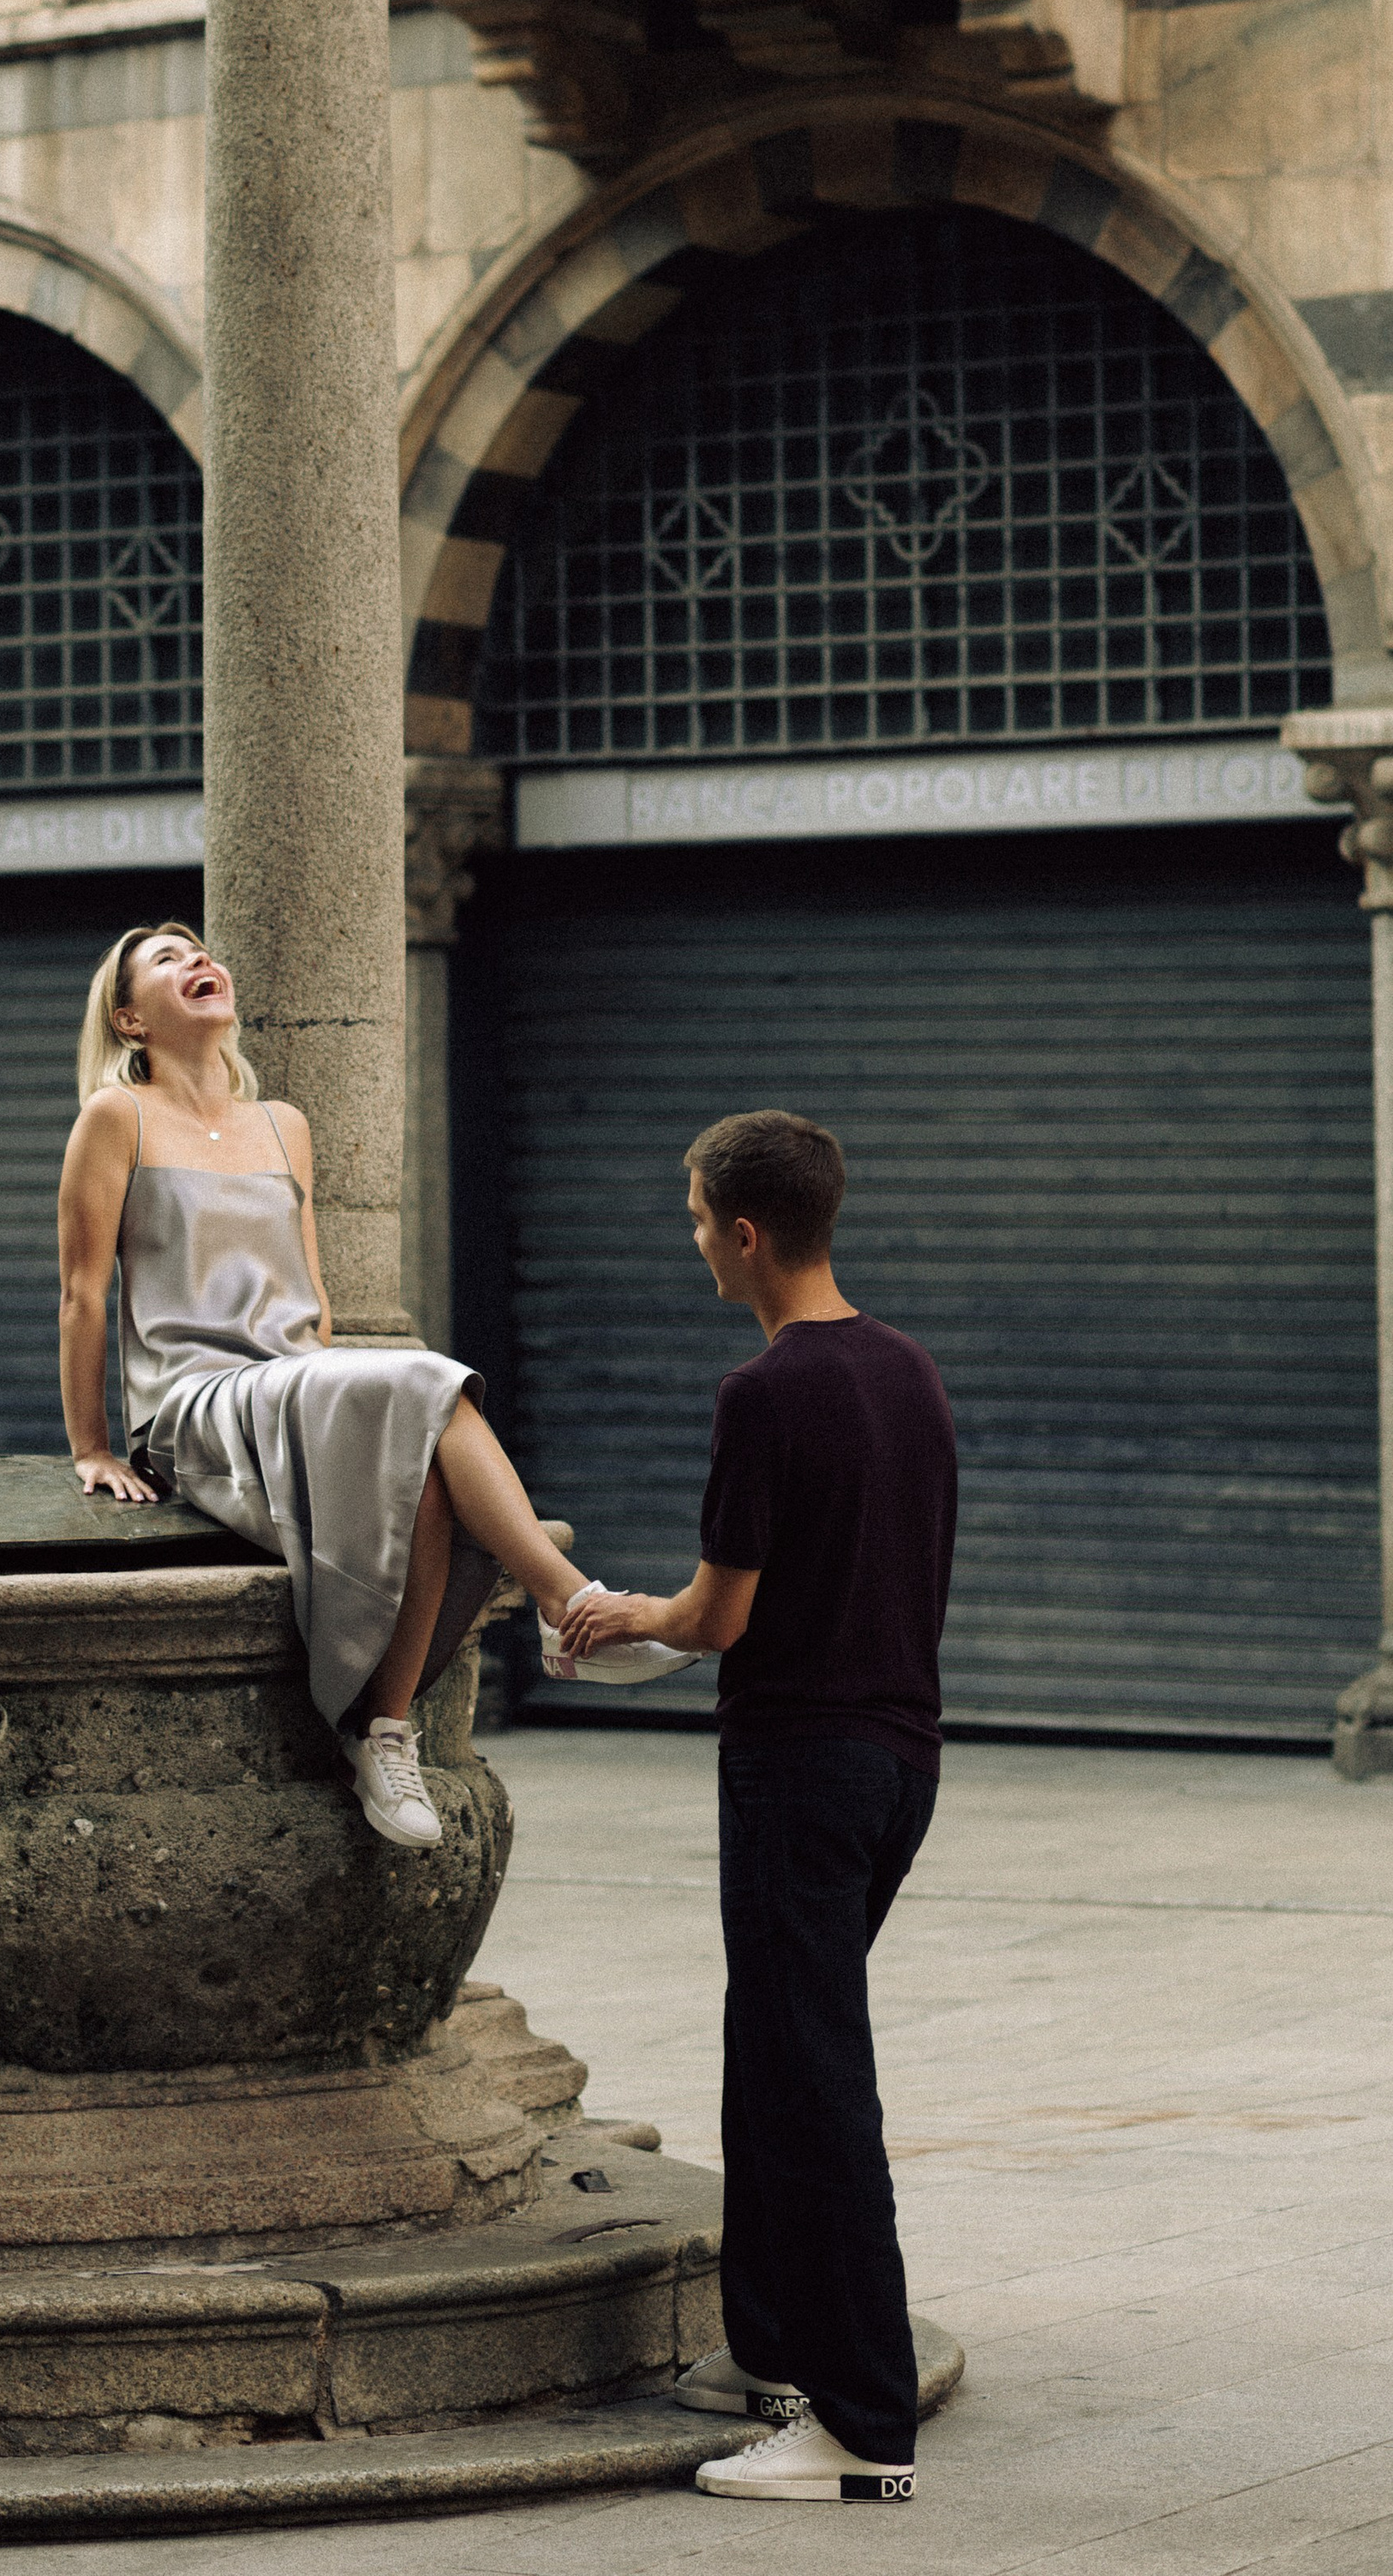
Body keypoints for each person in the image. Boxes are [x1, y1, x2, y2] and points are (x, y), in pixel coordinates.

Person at [57, 919, 685, 1854]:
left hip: (291, 1383)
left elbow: (308, 1299)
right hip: (191, 1401)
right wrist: (93, 1447)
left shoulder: (285, 1126)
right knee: (425, 1383)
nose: (196, 961)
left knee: (416, 1444)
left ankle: (382, 1730)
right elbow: (84, 1293)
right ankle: (567, 1604)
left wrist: (339, 1408)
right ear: (129, 1019)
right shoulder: (116, 1118)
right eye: (165, 959)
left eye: (200, 950)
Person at [559, 1108, 956, 2507]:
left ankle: (861, 2429)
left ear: (743, 1231)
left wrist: (612, 1617)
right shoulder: (909, 1372)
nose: (691, 1241)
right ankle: (779, 2354)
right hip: (900, 1762)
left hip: (799, 1769)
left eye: (692, 1217)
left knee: (816, 2083)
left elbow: (718, 1616)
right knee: (779, 2062)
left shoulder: (764, 1394)